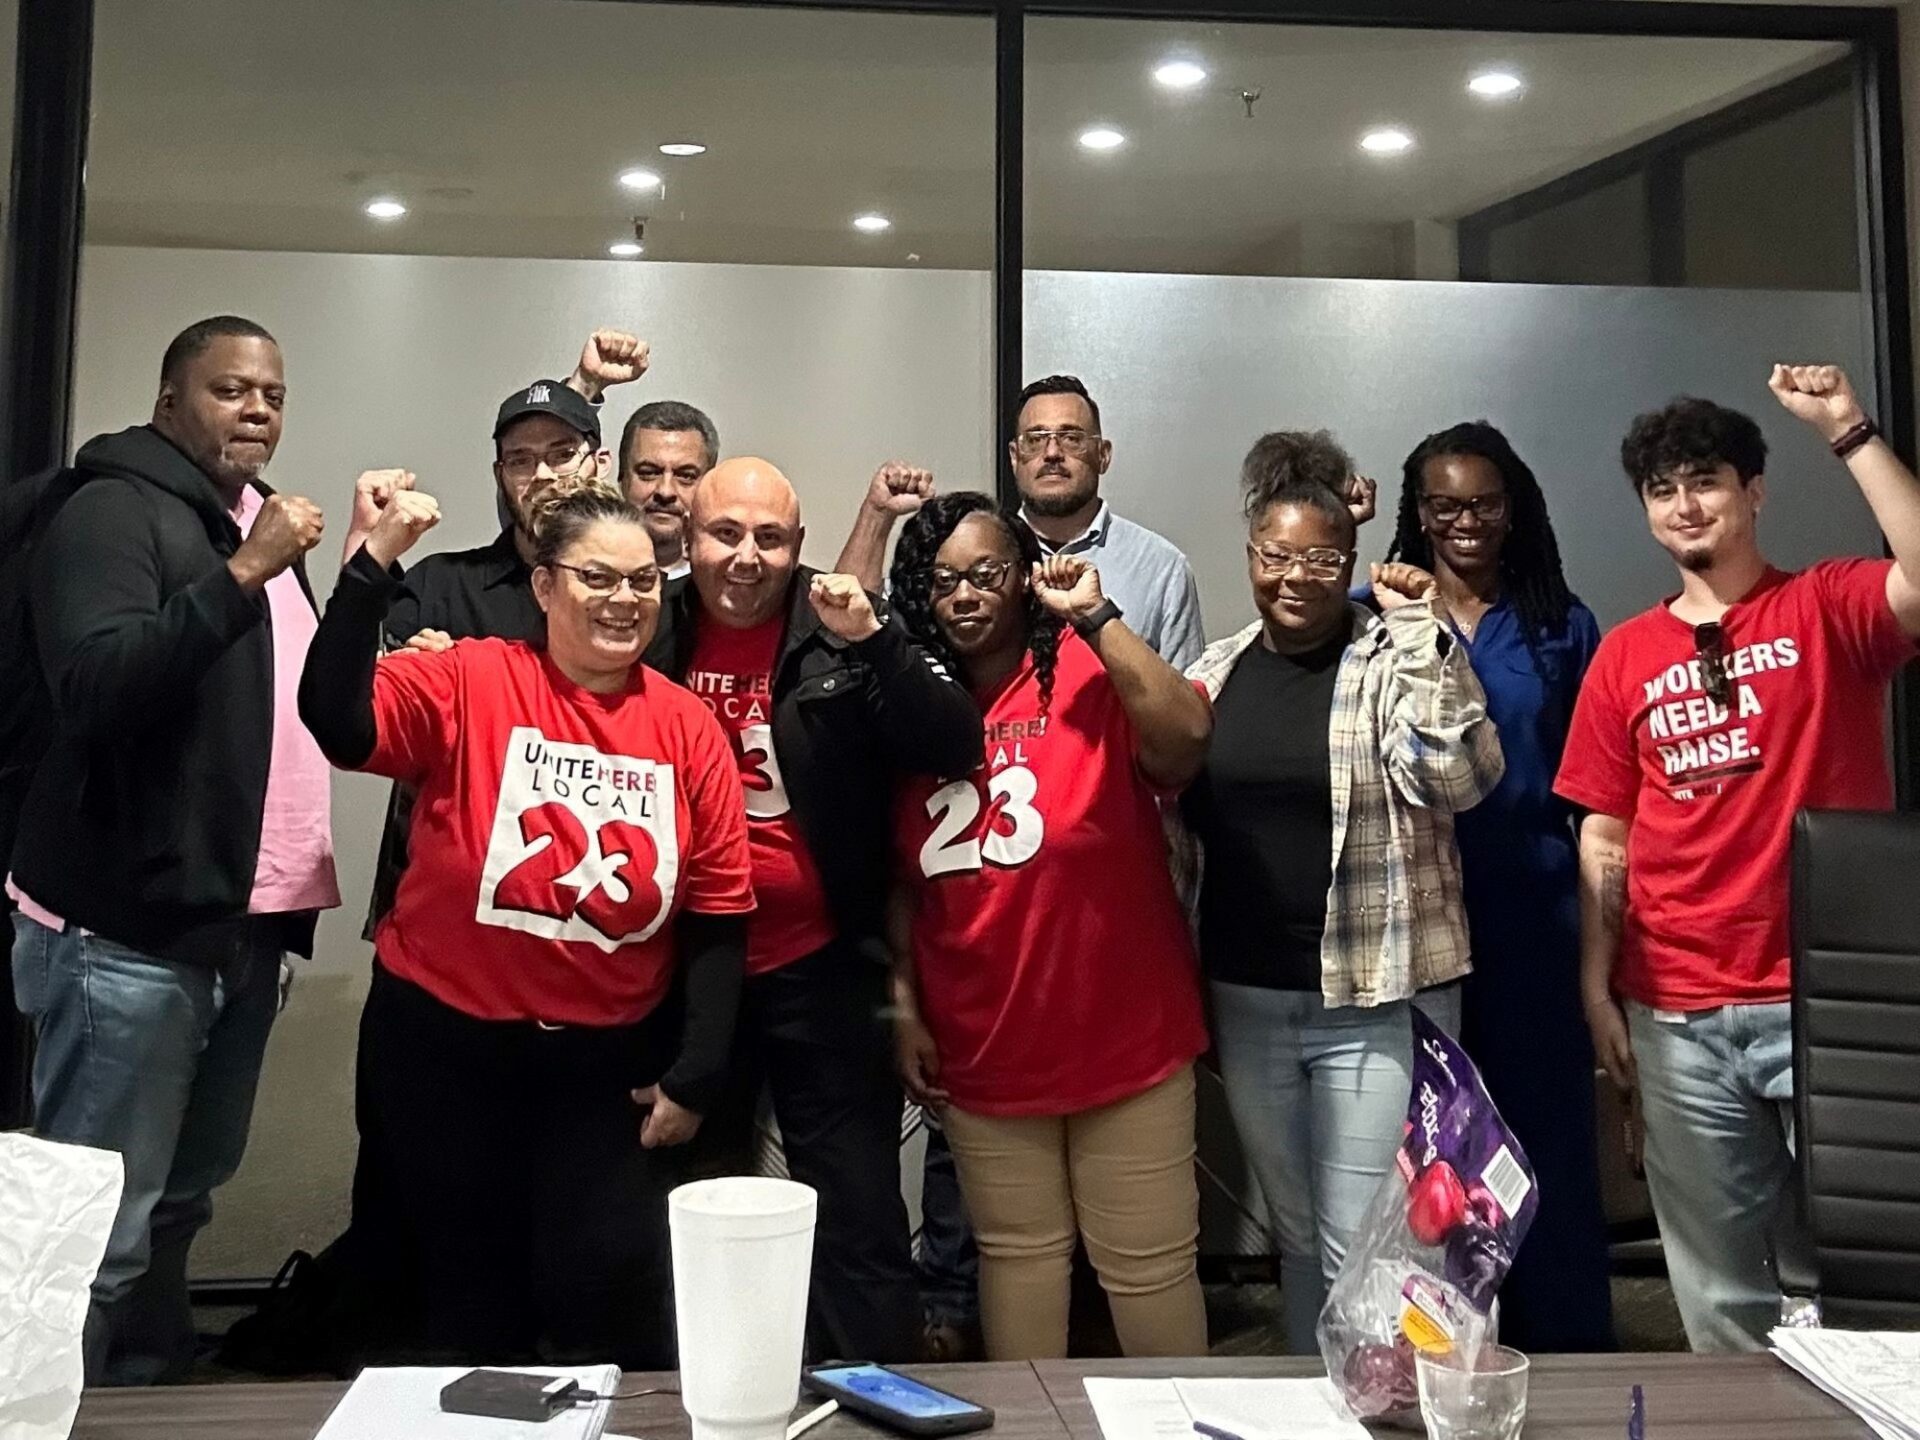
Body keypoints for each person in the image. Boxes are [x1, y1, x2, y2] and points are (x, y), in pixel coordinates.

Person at [299, 485, 754, 1367]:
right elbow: (336, 720)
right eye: (597, 578)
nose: (624, 600)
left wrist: (697, 1075)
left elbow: (718, 911)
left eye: (643, 582)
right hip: (444, 1052)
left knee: (603, 1295)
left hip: (603, 1070)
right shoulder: (470, 676)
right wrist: (371, 565)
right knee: (458, 1305)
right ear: (545, 586)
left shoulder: (687, 727)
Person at [1555, 365, 1920, 1352]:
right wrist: (1596, 986)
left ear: (1754, 492)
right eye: (1662, 489)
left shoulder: (1827, 607)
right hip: (1676, 1010)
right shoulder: (1625, 656)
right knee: (1721, 1291)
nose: (1685, 505)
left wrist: (1848, 430)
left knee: (1875, 1274)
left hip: (1826, 1000)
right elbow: (1606, 832)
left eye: (1706, 481)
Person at [7, 315, 339, 1385]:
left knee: (181, 1201)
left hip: (239, 924)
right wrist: (245, 574)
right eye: (231, 390)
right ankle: (44, 1409)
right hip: (126, 930)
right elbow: (96, 685)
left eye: (273, 395)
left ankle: (144, 1394)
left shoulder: (246, 518)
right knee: (93, 1228)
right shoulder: (110, 510)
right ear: (168, 401)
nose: (258, 411)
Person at [647, 457, 982, 1363]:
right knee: (685, 1201)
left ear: (798, 545)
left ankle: (875, 1398)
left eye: (770, 538)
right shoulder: (649, 624)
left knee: (857, 1211)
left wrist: (875, 640)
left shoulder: (835, 624)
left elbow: (952, 741)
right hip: (682, 971)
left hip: (823, 961)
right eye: (725, 534)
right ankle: (703, 1392)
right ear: (688, 537)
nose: (746, 557)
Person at [1175, 431, 1504, 1355]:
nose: (1297, 578)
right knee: (1293, 1235)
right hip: (1248, 996)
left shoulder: (1395, 654)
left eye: (1321, 560)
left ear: (1350, 560)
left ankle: (1376, 1403)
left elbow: (1460, 779)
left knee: (1364, 1243)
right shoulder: (1215, 670)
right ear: (1250, 555)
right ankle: (1314, 1399)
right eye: (1276, 557)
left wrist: (1420, 631)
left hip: (1374, 997)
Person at [886, 491, 1214, 1361]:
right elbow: (897, 878)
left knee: (1148, 1269)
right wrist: (903, 1007)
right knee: (1017, 1262)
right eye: (943, 580)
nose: (965, 596)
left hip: (1123, 1033)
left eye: (986, 573)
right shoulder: (911, 705)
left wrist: (1096, 618)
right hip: (984, 1036)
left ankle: (1177, 1422)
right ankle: (1035, 1422)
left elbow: (1186, 738)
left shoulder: (1082, 667)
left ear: (1023, 577)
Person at [1381, 421, 1613, 1351]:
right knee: (1432, 1156)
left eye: (1483, 503)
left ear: (1514, 510)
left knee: (1542, 1144)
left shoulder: (1562, 621)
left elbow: (1601, 790)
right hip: (1419, 915)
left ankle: (1567, 1350)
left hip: (1535, 917)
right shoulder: (1380, 614)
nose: (1464, 521)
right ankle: (1441, 1355)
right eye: (1443, 505)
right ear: (1418, 512)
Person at [835, 377, 1206, 670]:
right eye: (1035, 439)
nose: (1052, 453)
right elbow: (845, 631)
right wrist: (877, 514)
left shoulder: (1160, 567)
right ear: (1014, 457)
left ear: (1103, 455)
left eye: (1071, 438)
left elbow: (1188, 709)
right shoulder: (968, 549)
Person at [619, 399, 721, 580]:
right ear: (622, 478)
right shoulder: (584, 571)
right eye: (649, 473)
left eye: (686, 476)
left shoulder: (724, 583)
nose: (665, 492)